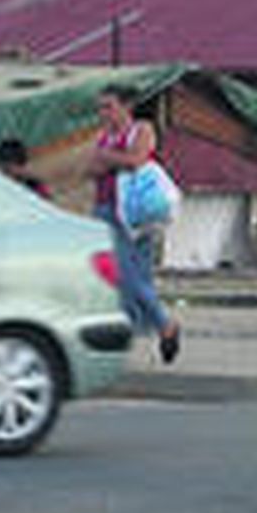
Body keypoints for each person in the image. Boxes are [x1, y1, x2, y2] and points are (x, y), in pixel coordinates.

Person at [88, 85, 181, 363]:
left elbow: (137, 159)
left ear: (126, 106)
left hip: (135, 210)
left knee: (129, 274)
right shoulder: (104, 136)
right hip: (106, 207)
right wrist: (110, 161)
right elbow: (92, 168)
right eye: (101, 107)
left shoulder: (141, 130)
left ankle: (165, 324)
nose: (103, 113)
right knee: (128, 276)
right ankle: (137, 329)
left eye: (109, 106)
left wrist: (109, 160)